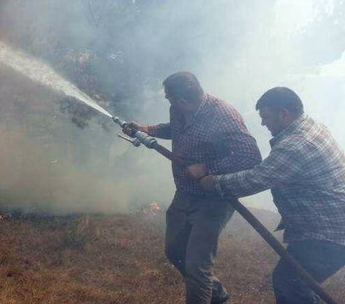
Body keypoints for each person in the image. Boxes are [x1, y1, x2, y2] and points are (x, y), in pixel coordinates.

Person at [191, 87, 345, 304]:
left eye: (266, 117)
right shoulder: (313, 126)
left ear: (284, 113)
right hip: (330, 225)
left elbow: (257, 179)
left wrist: (211, 182)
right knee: (297, 284)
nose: (263, 124)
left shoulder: (297, 145)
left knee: (290, 282)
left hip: (328, 233)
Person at [127, 71, 262, 304]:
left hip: (214, 198)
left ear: (183, 100)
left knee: (197, 264)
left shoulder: (223, 115)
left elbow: (250, 156)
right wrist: (148, 129)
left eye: (169, 98)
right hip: (185, 192)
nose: (168, 102)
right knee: (174, 250)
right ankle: (217, 296)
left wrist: (209, 168)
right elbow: (176, 129)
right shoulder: (179, 109)